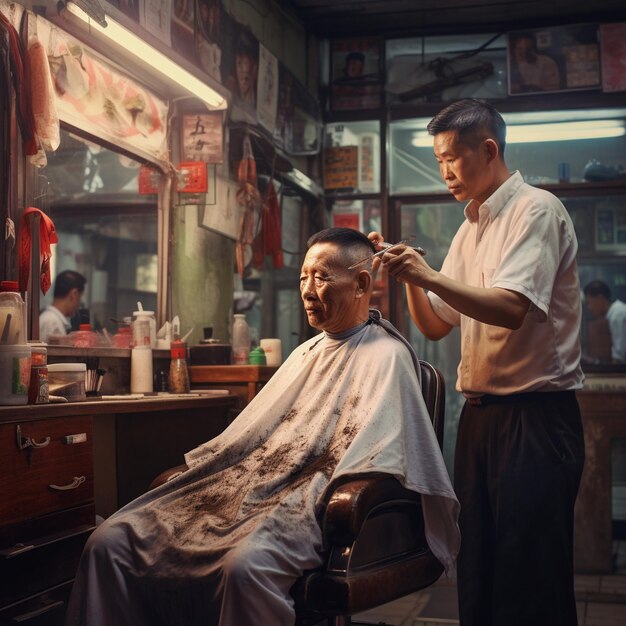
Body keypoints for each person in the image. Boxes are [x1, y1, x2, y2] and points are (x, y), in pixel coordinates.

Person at [65, 228, 460, 626]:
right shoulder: (305, 353)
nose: (307, 289)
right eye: (303, 277)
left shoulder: (388, 357)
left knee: (243, 568)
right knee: (109, 542)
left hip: (307, 497)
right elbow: (254, 441)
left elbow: (383, 452)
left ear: (361, 283)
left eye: (321, 277)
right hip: (246, 486)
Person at [370, 98, 585, 626]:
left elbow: (511, 309)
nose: (444, 172)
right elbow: (437, 322)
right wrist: (408, 277)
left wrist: (427, 275)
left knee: (529, 575)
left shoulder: (536, 210)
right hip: (482, 420)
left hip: (535, 419)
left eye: (452, 158)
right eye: (438, 160)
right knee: (480, 567)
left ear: (489, 150)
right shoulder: (472, 227)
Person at [583, 280, 626, 363]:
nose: (588, 308)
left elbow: (619, 357)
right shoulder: (613, 315)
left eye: (589, 303)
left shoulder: (618, 315)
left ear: (600, 298)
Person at [39, 270, 86, 342]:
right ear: (74, 295)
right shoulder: (51, 322)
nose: (79, 304)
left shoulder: (53, 320)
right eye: (80, 298)